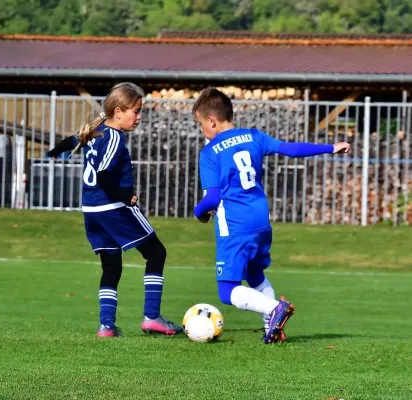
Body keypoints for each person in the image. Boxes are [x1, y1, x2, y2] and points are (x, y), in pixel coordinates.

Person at [193, 87, 351, 344]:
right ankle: (272, 329)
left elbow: (212, 199)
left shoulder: (210, 152)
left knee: (226, 290)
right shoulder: (254, 136)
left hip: (234, 226)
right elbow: (291, 148)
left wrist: (198, 212)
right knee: (255, 276)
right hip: (261, 222)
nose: (202, 130)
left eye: (201, 124)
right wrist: (331, 147)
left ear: (211, 120)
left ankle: (273, 309)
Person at [47, 82, 182, 337]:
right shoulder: (112, 137)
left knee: (111, 266)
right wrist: (126, 196)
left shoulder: (95, 133)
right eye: (136, 111)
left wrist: (53, 151)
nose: (139, 116)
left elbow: (71, 141)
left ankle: (106, 326)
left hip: (92, 211)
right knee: (156, 253)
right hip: (111, 207)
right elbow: (105, 174)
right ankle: (152, 318)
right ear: (118, 112)